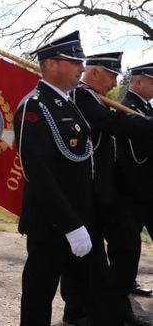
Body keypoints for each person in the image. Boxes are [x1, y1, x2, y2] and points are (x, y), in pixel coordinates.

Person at [13, 31, 121, 326]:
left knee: (100, 294)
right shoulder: (34, 107)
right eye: (74, 61)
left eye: (81, 61)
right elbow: (38, 173)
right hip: (52, 226)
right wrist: (71, 225)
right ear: (50, 65)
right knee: (38, 298)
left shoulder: (70, 103)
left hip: (84, 220)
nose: (81, 68)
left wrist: (86, 220)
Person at [63, 53, 152, 326]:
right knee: (97, 252)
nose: (114, 84)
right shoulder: (82, 97)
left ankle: (103, 307)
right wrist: (146, 124)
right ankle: (84, 309)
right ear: (95, 72)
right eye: (111, 76)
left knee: (115, 249)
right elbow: (112, 124)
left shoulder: (90, 96)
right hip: (88, 191)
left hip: (103, 189)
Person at [117, 63, 153, 300]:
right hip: (134, 192)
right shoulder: (126, 107)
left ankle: (127, 284)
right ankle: (122, 294)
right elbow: (137, 154)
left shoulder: (144, 108)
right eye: (152, 82)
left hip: (147, 192)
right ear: (138, 83)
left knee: (131, 247)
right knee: (128, 249)